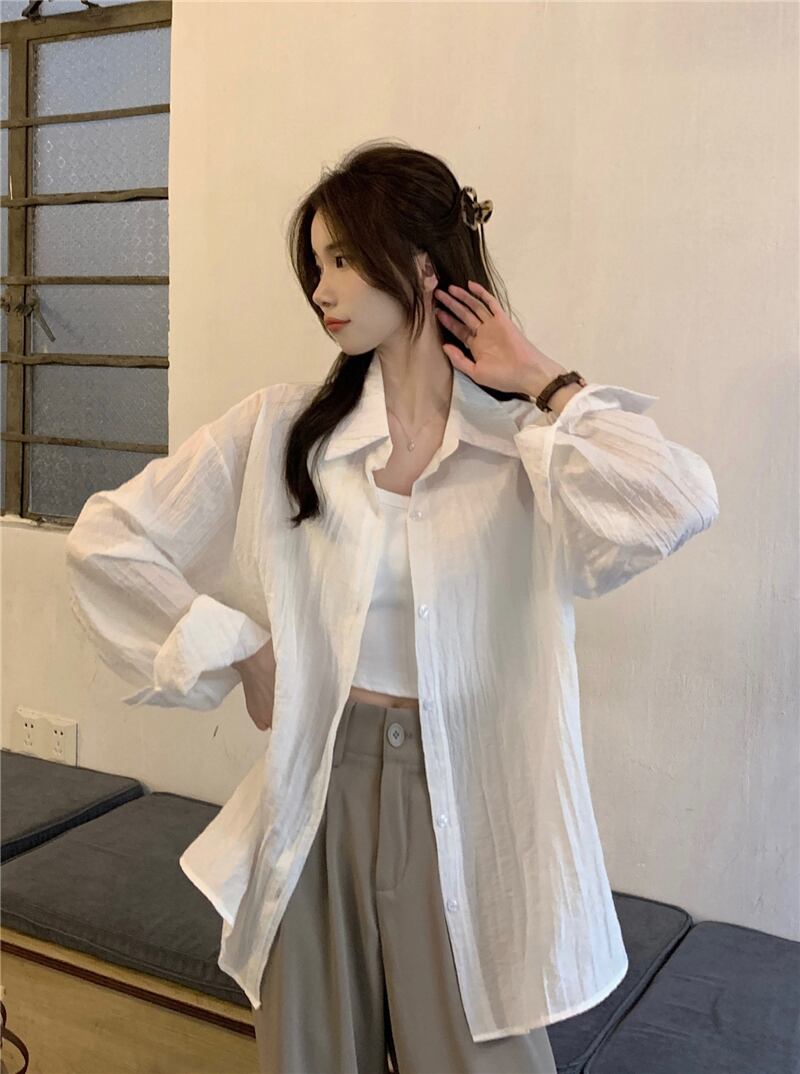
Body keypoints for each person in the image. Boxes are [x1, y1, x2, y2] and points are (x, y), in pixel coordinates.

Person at [65, 139, 720, 1074]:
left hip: (465, 800)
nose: (321, 289)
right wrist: (242, 650)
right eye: (316, 263)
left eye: (342, 259)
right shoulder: (283, 429)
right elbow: (108, 540)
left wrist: (543, 377)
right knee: (313, 1056)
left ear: (419, 265)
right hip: (317, 787)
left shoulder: (523, 450)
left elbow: (678, 499)